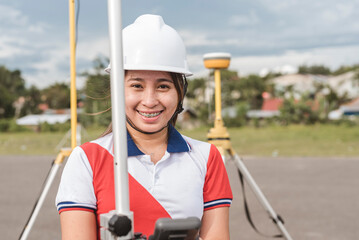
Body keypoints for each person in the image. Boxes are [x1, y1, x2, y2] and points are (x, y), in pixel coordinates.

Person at [56, 14, 233, 240]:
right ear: (117, 90)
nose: (149, 100)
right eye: (137, 85)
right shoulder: (86, 159)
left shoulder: (207, 157)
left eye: (163, 86)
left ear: (180, 92)